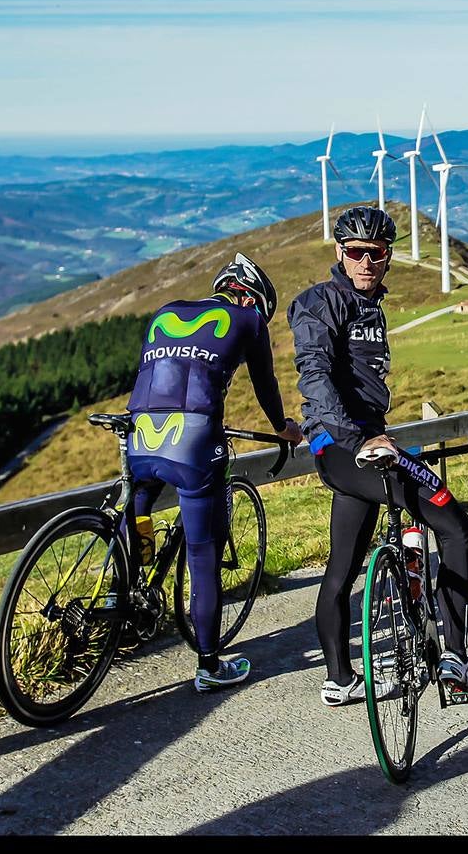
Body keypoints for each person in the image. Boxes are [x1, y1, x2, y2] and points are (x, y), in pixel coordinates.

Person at [289, 205, 468, 707]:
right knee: (458, 528)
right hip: (347, 447)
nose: (365, 261)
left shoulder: (371, 305)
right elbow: (315, 373)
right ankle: (455, 655)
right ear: (340, 252)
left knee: (343, 567)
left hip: (358, 445)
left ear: (389, 256)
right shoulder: (320, 302)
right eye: (355, 252)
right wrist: (359, 439)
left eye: (375, 253)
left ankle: (340, 679)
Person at [126, 252, 304, 692]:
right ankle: (209, 663)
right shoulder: (248, 321)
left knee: (140, 506)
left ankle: (128, 593)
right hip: (194, 437)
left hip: (140, 429)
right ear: (253, 298)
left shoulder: (167, 311)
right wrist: (284, 429)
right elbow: (266, 385)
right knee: (203, 552)